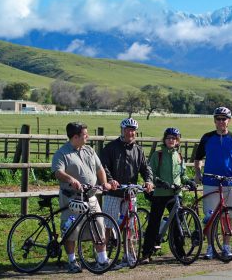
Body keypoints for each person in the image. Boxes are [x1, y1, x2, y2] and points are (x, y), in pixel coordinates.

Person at [52, 122, 112, 273]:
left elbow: (100, 169)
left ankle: (102, 259)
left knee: (99, 225)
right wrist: (71, 179)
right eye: (85, 134)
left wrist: (104, 183)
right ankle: (72, 261)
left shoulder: (89, 150)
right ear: (75, 137)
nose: (88, 136)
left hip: (91, 197)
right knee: (71, 230)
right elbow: (58, 172)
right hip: (72, 199)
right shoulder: (62, 153)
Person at [100, 117, 154, 267]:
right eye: (128, 129)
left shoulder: (138, 150)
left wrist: (148, 180)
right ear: (122, 130)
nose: (131, 133)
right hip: (114, 193)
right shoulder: (111, 147)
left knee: (130, 226)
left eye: (133, 130)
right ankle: (102, 256)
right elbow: (103, 167)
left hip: (130, 193)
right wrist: (110, 180)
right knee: (108, 224)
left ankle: (128, 254)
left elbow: (145, 168)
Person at [194, 106, 232, 259]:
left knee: (229, 216)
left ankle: (226, 246)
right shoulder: (207, 137)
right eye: (218, 119)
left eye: (224, 119)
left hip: (230, 183)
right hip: (211, 181)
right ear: (214, 121)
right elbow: (198, 158)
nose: (221, 121)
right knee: (210, 217)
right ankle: (210, 247)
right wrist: (198, 174)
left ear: (229, 120)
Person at [140, 128, 197, 264]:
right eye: (169, 138)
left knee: (177, 224)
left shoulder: (179, 156)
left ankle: (180, 254)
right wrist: (159, 182)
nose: (171, 140)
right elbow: (151, 173)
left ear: (178, 141)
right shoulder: (158, 155)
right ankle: (146, 253)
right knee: (154, 223)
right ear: (164, 140)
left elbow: (182, 175)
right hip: (160, 193)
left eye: (174, 138)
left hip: (175, 194)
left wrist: (188, 181)